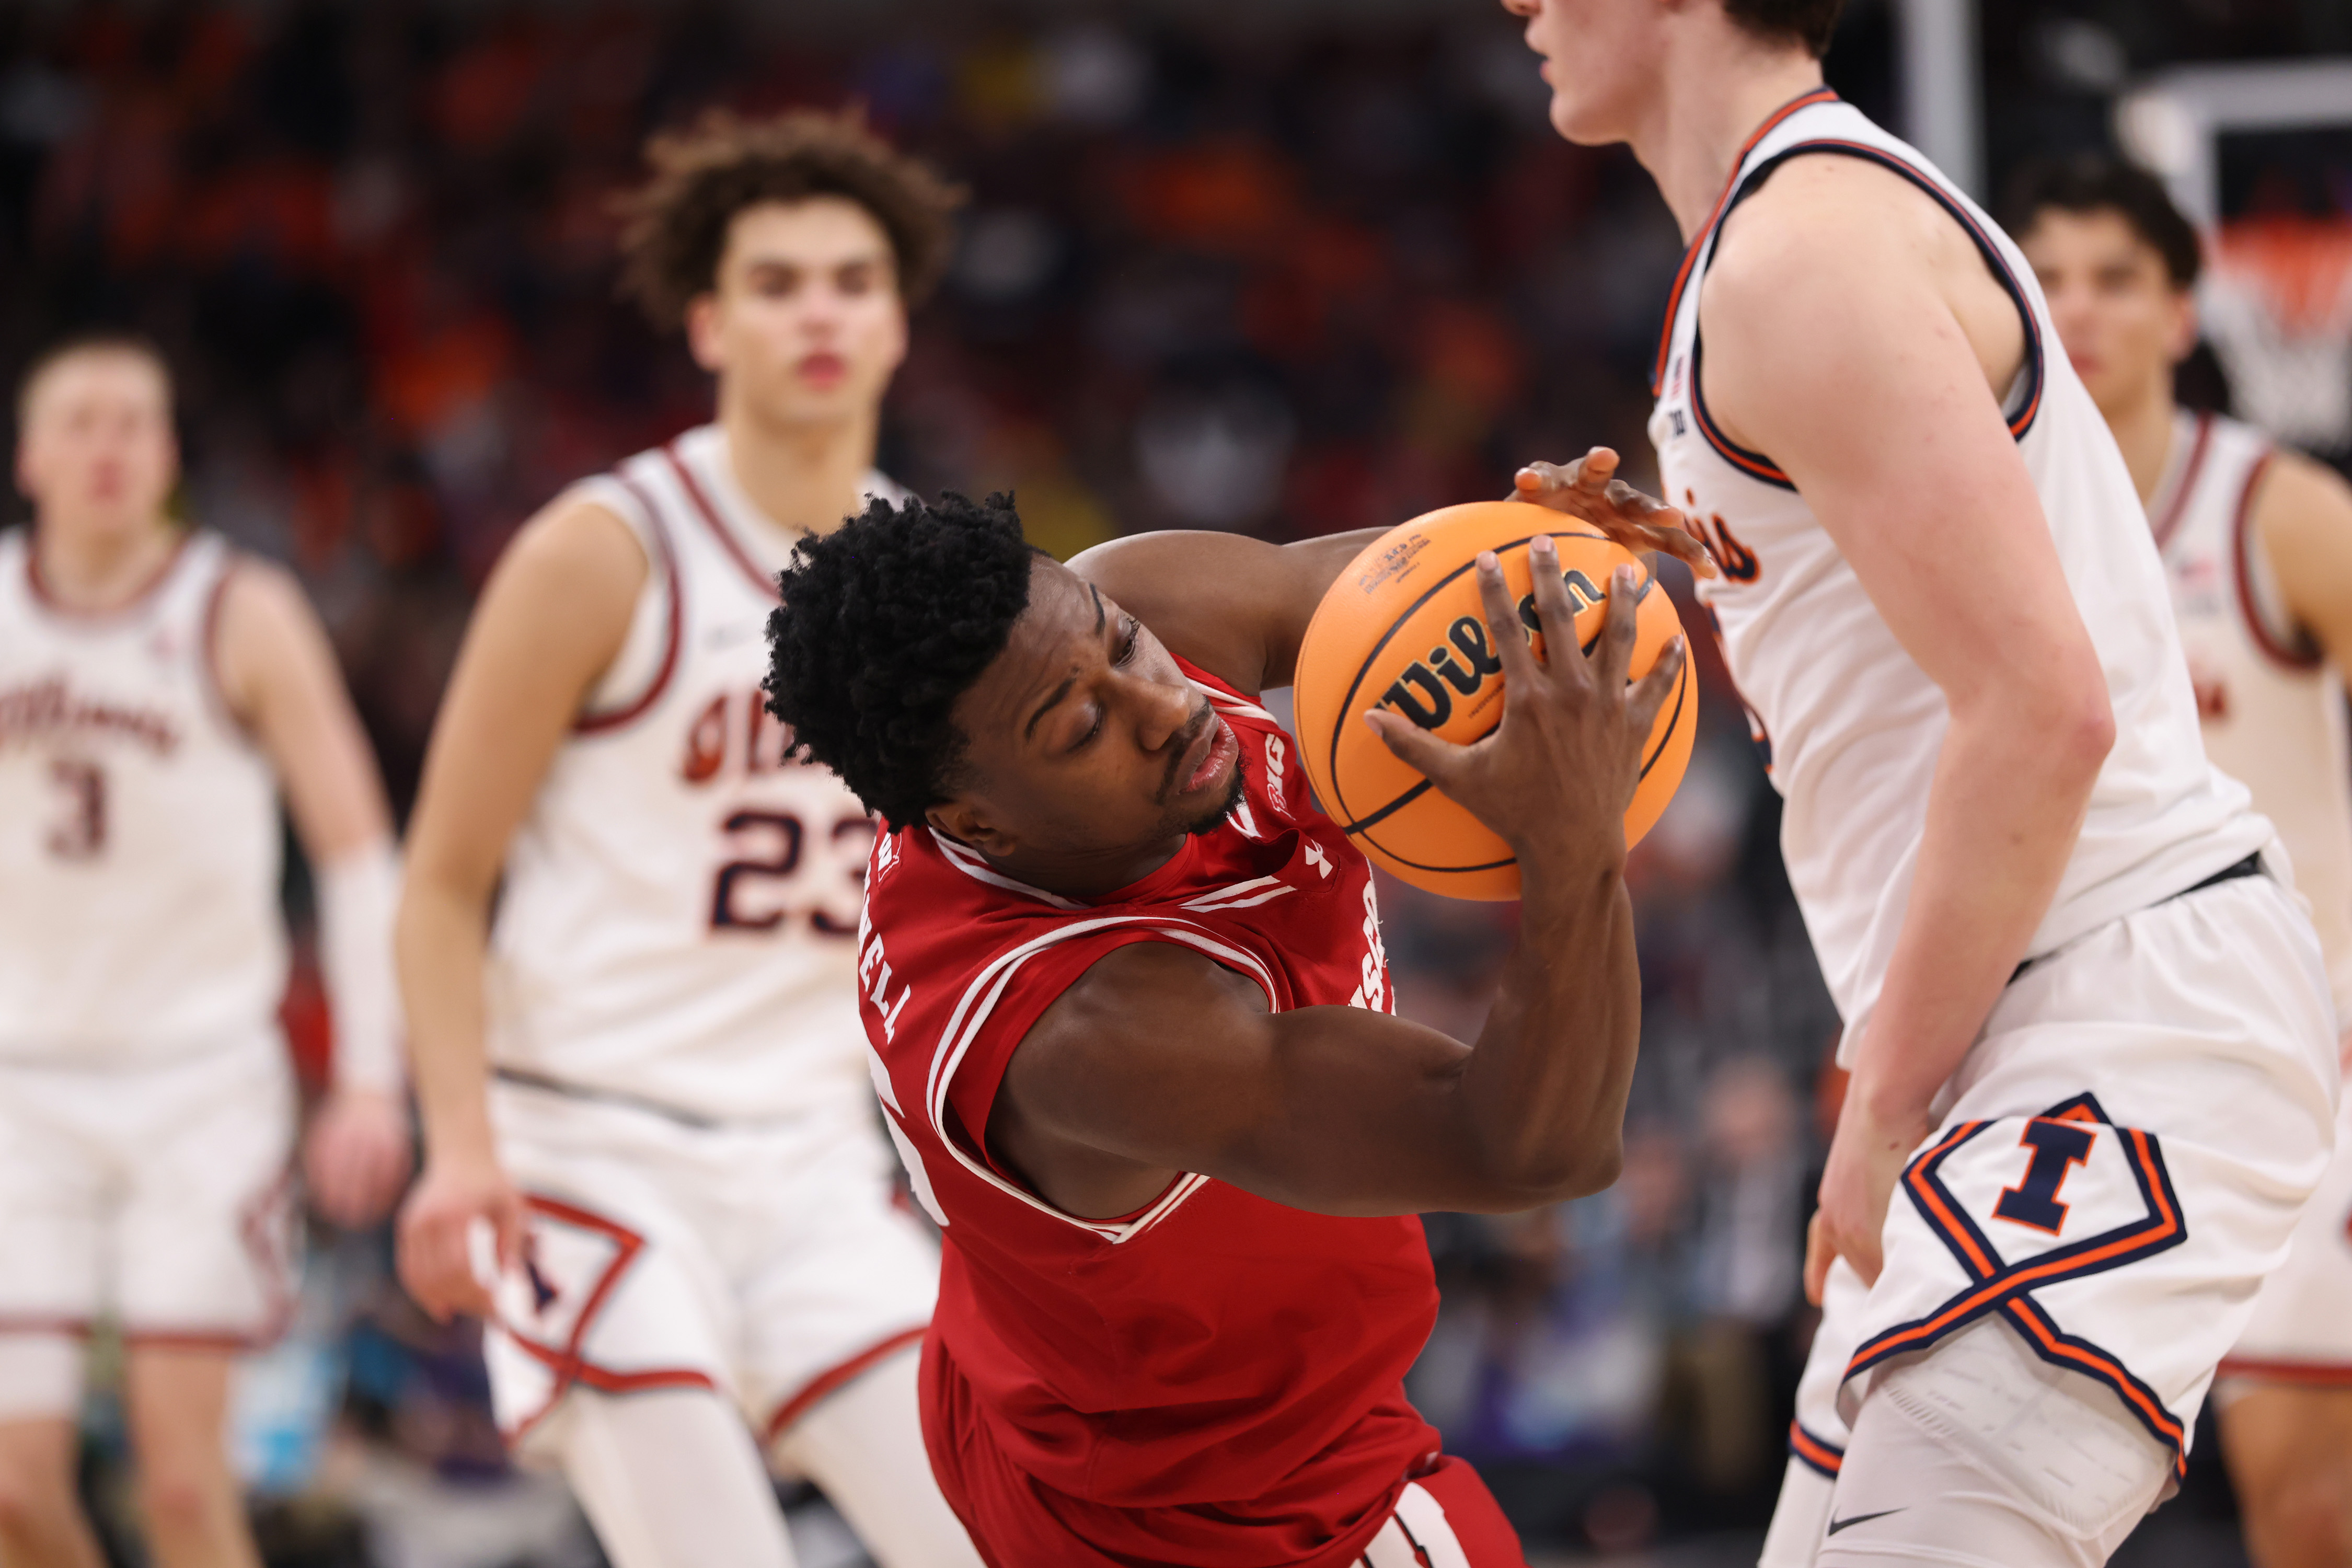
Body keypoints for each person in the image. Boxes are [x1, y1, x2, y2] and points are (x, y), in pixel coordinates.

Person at [1503, 1, 2344, 1565]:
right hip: (2013, 1017)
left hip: (2112, 1000)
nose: (1520, 5)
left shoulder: (1799, 252)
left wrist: (1877, 1105)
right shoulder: (1781, 233)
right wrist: (1686, 545)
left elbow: (2041, 711)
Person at [762, 470, 1698, 1565]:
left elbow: (1386, 593)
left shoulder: (1129, 610)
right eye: (1084, 728)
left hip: (1040, 1393)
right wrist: (1576, 843)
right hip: (1227, 1503)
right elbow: (1533, 1149)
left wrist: (1540, 562)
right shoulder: (1092, 1032)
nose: (1164, 706)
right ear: (978, 826)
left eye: (1123, 646)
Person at [392, 110, 981, 1568]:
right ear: (709, 324)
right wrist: (457, 1148)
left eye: (851, 281)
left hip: (814, 1161)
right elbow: (442, 882)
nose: (819, 313)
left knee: (997, 1540)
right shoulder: (606, 547)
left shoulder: (947, 581)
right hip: (584, 1147)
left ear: (898, 323)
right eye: (777, 285)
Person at [0, 335, 410, 1568]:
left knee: (183, 1488)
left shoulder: (241, 609)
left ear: (171, 456)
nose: (108, 446)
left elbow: (356, 850)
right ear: (30, 458)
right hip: (20, 1080)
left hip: (201, 1085)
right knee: (13, 1492)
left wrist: (370, 1082)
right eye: (80, 421)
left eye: (134, 422)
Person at [2013, 153, 2352, 1568]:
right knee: (2019, 1495)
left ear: (2180, 312)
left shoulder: (2275, 508)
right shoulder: (1987, 527)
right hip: (2081, 1077)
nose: (2079, 308)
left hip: (2300, 1062)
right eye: (2047, 279)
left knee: (2307, 1501)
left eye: (2115, 278)